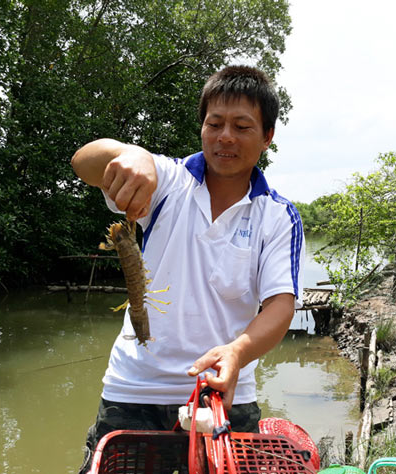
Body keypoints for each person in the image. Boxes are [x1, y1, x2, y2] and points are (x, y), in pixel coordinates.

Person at [71, 65, 305, 472]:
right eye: (214, 123)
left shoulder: (278, 216)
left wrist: (238, 352)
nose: (225, 136)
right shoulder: (166, 182)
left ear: (267, 136)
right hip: (134, 389)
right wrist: (132, 155)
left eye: (242, 126)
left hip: (225, 390)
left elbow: (281, 305)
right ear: (201, 128)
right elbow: (83, 162)